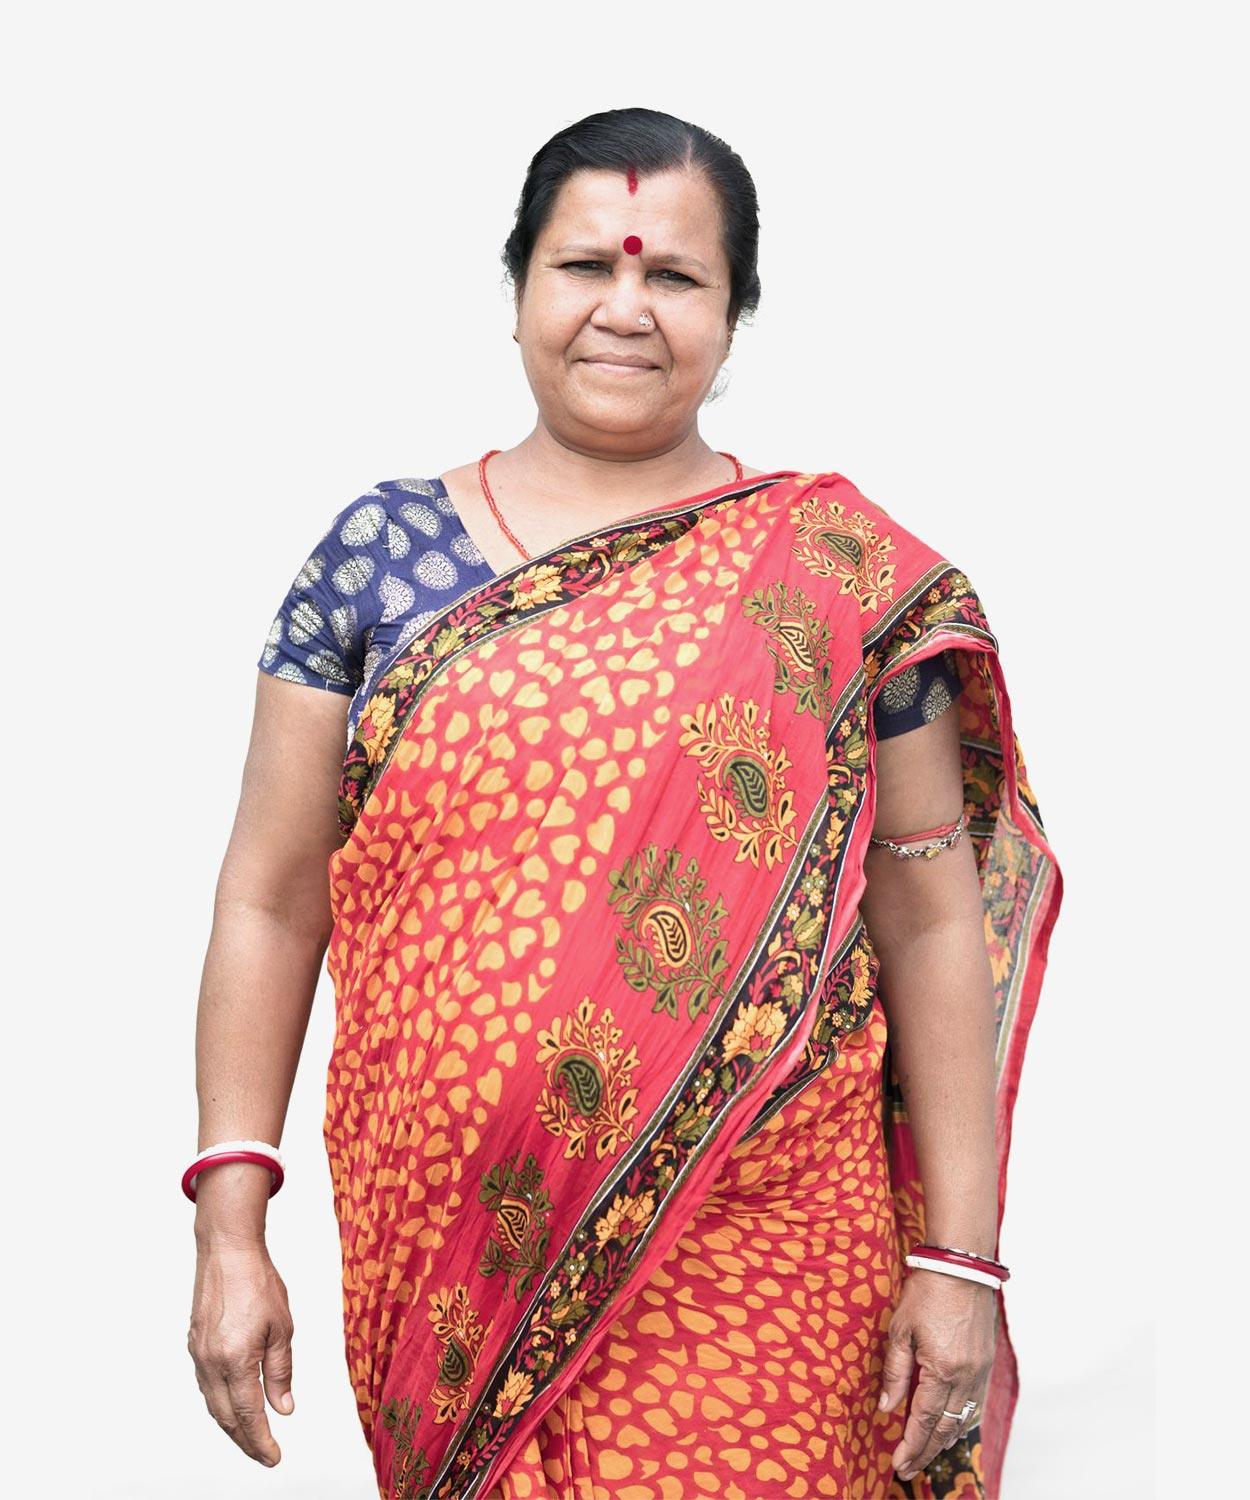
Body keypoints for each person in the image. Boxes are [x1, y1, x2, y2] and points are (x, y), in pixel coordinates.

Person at [186, 107, 1061, 1500]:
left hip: (763, 1243)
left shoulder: (832, 576)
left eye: (674, 277)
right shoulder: (377, 561)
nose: (625, 310)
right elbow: (270, 897)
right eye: (583, 266)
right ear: (519, 285)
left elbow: (932, 916)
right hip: (457, 1262)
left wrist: (958, 1258)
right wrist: (230, 1223)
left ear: (736, 310)